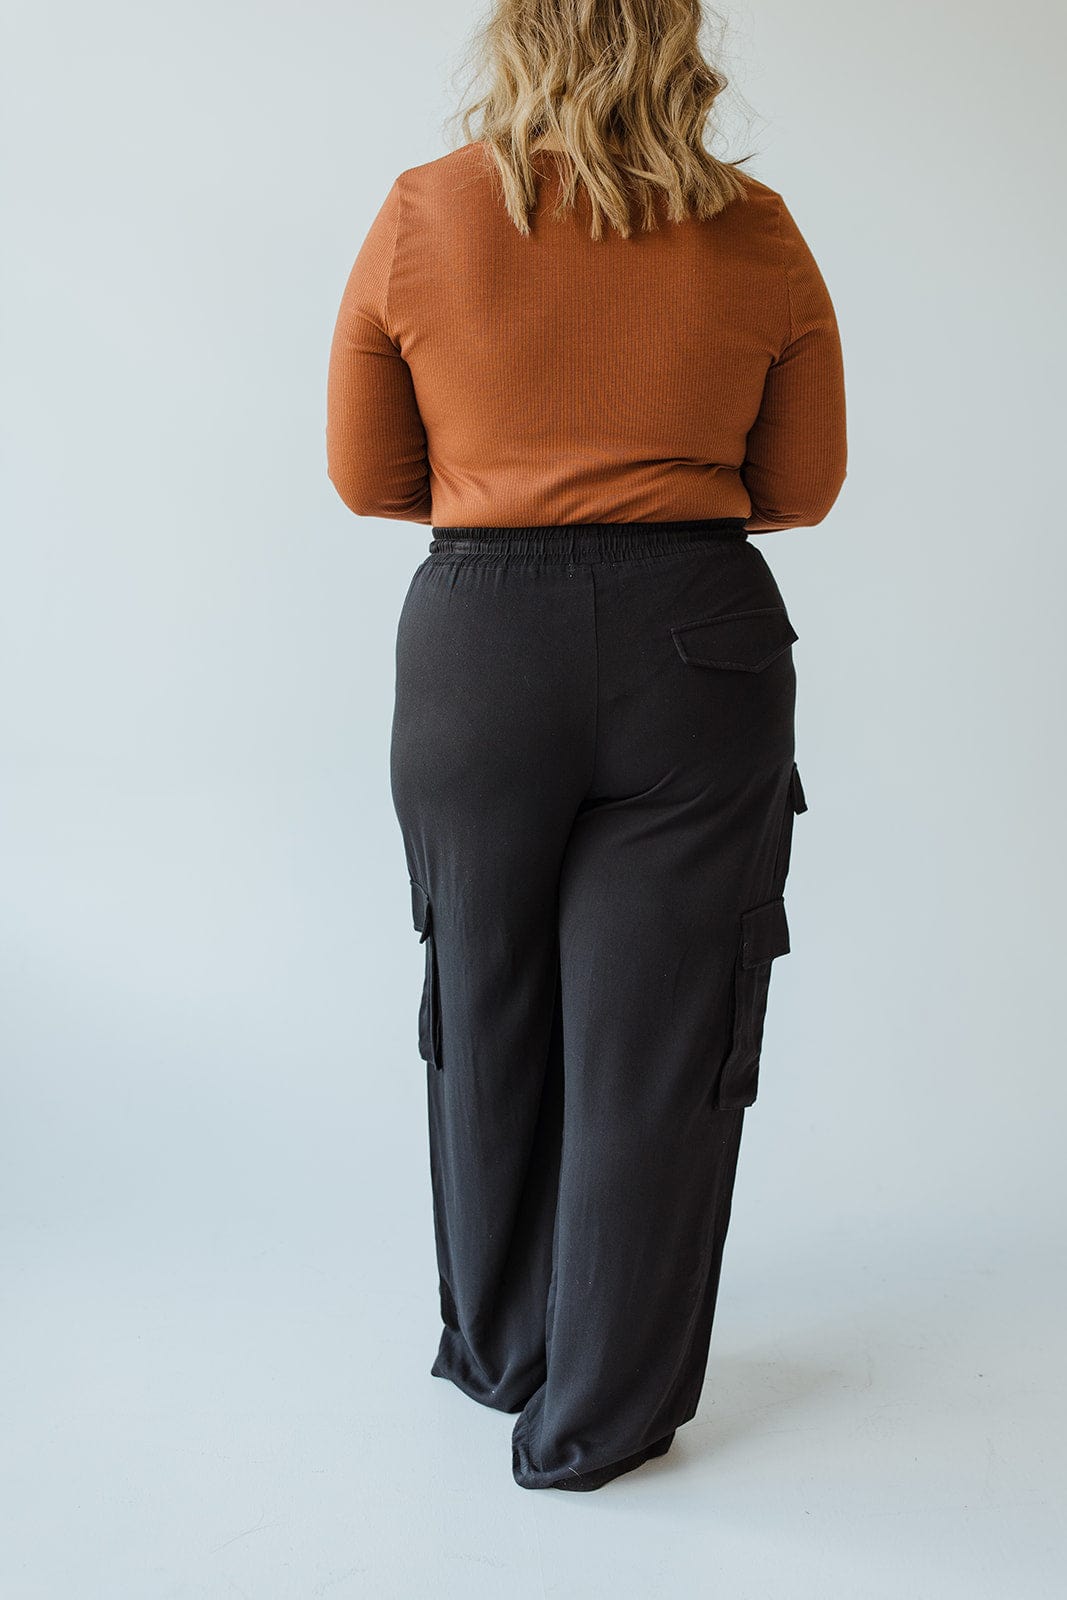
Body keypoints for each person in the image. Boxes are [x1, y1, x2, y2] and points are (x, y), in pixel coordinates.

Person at [325, 0, 846, 1492]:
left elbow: (368, 476)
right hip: (696, 643)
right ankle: (600, 1418)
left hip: (479, 648)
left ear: (517, 39)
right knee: (658, 1036)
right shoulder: (754, 230)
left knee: (482, 1000)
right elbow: (801, 487)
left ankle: (503, 1355)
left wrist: (507, 483)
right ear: (679, 43)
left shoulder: (424, 214)